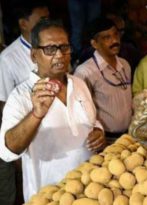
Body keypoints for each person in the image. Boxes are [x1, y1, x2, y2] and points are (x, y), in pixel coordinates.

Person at [0, 19, 106, 201]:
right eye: (50, 49)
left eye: (64, 47)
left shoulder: (79, 84)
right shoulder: (21, 96)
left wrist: (98, 131)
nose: (59, 55)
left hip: (88, 191)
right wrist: (36, 114)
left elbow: (92, 120)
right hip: (49, 196)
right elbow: (8, 151)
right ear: (34, 56)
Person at [0, 2, 49, 204]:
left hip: (52, 136)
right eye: (42, 20)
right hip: (26, 136)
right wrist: (18, 148)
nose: (48, 24)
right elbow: (2, 103)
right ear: (23, 23)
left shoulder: (53, 50)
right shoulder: (8, 58)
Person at [75, 17, 132, 142]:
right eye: (107, 38)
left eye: (116, 34)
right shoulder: (85, 72)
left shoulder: (125, 65)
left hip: (128, 137)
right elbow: (80, 112)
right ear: (94, 44)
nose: (115, 40)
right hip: (104, 139)